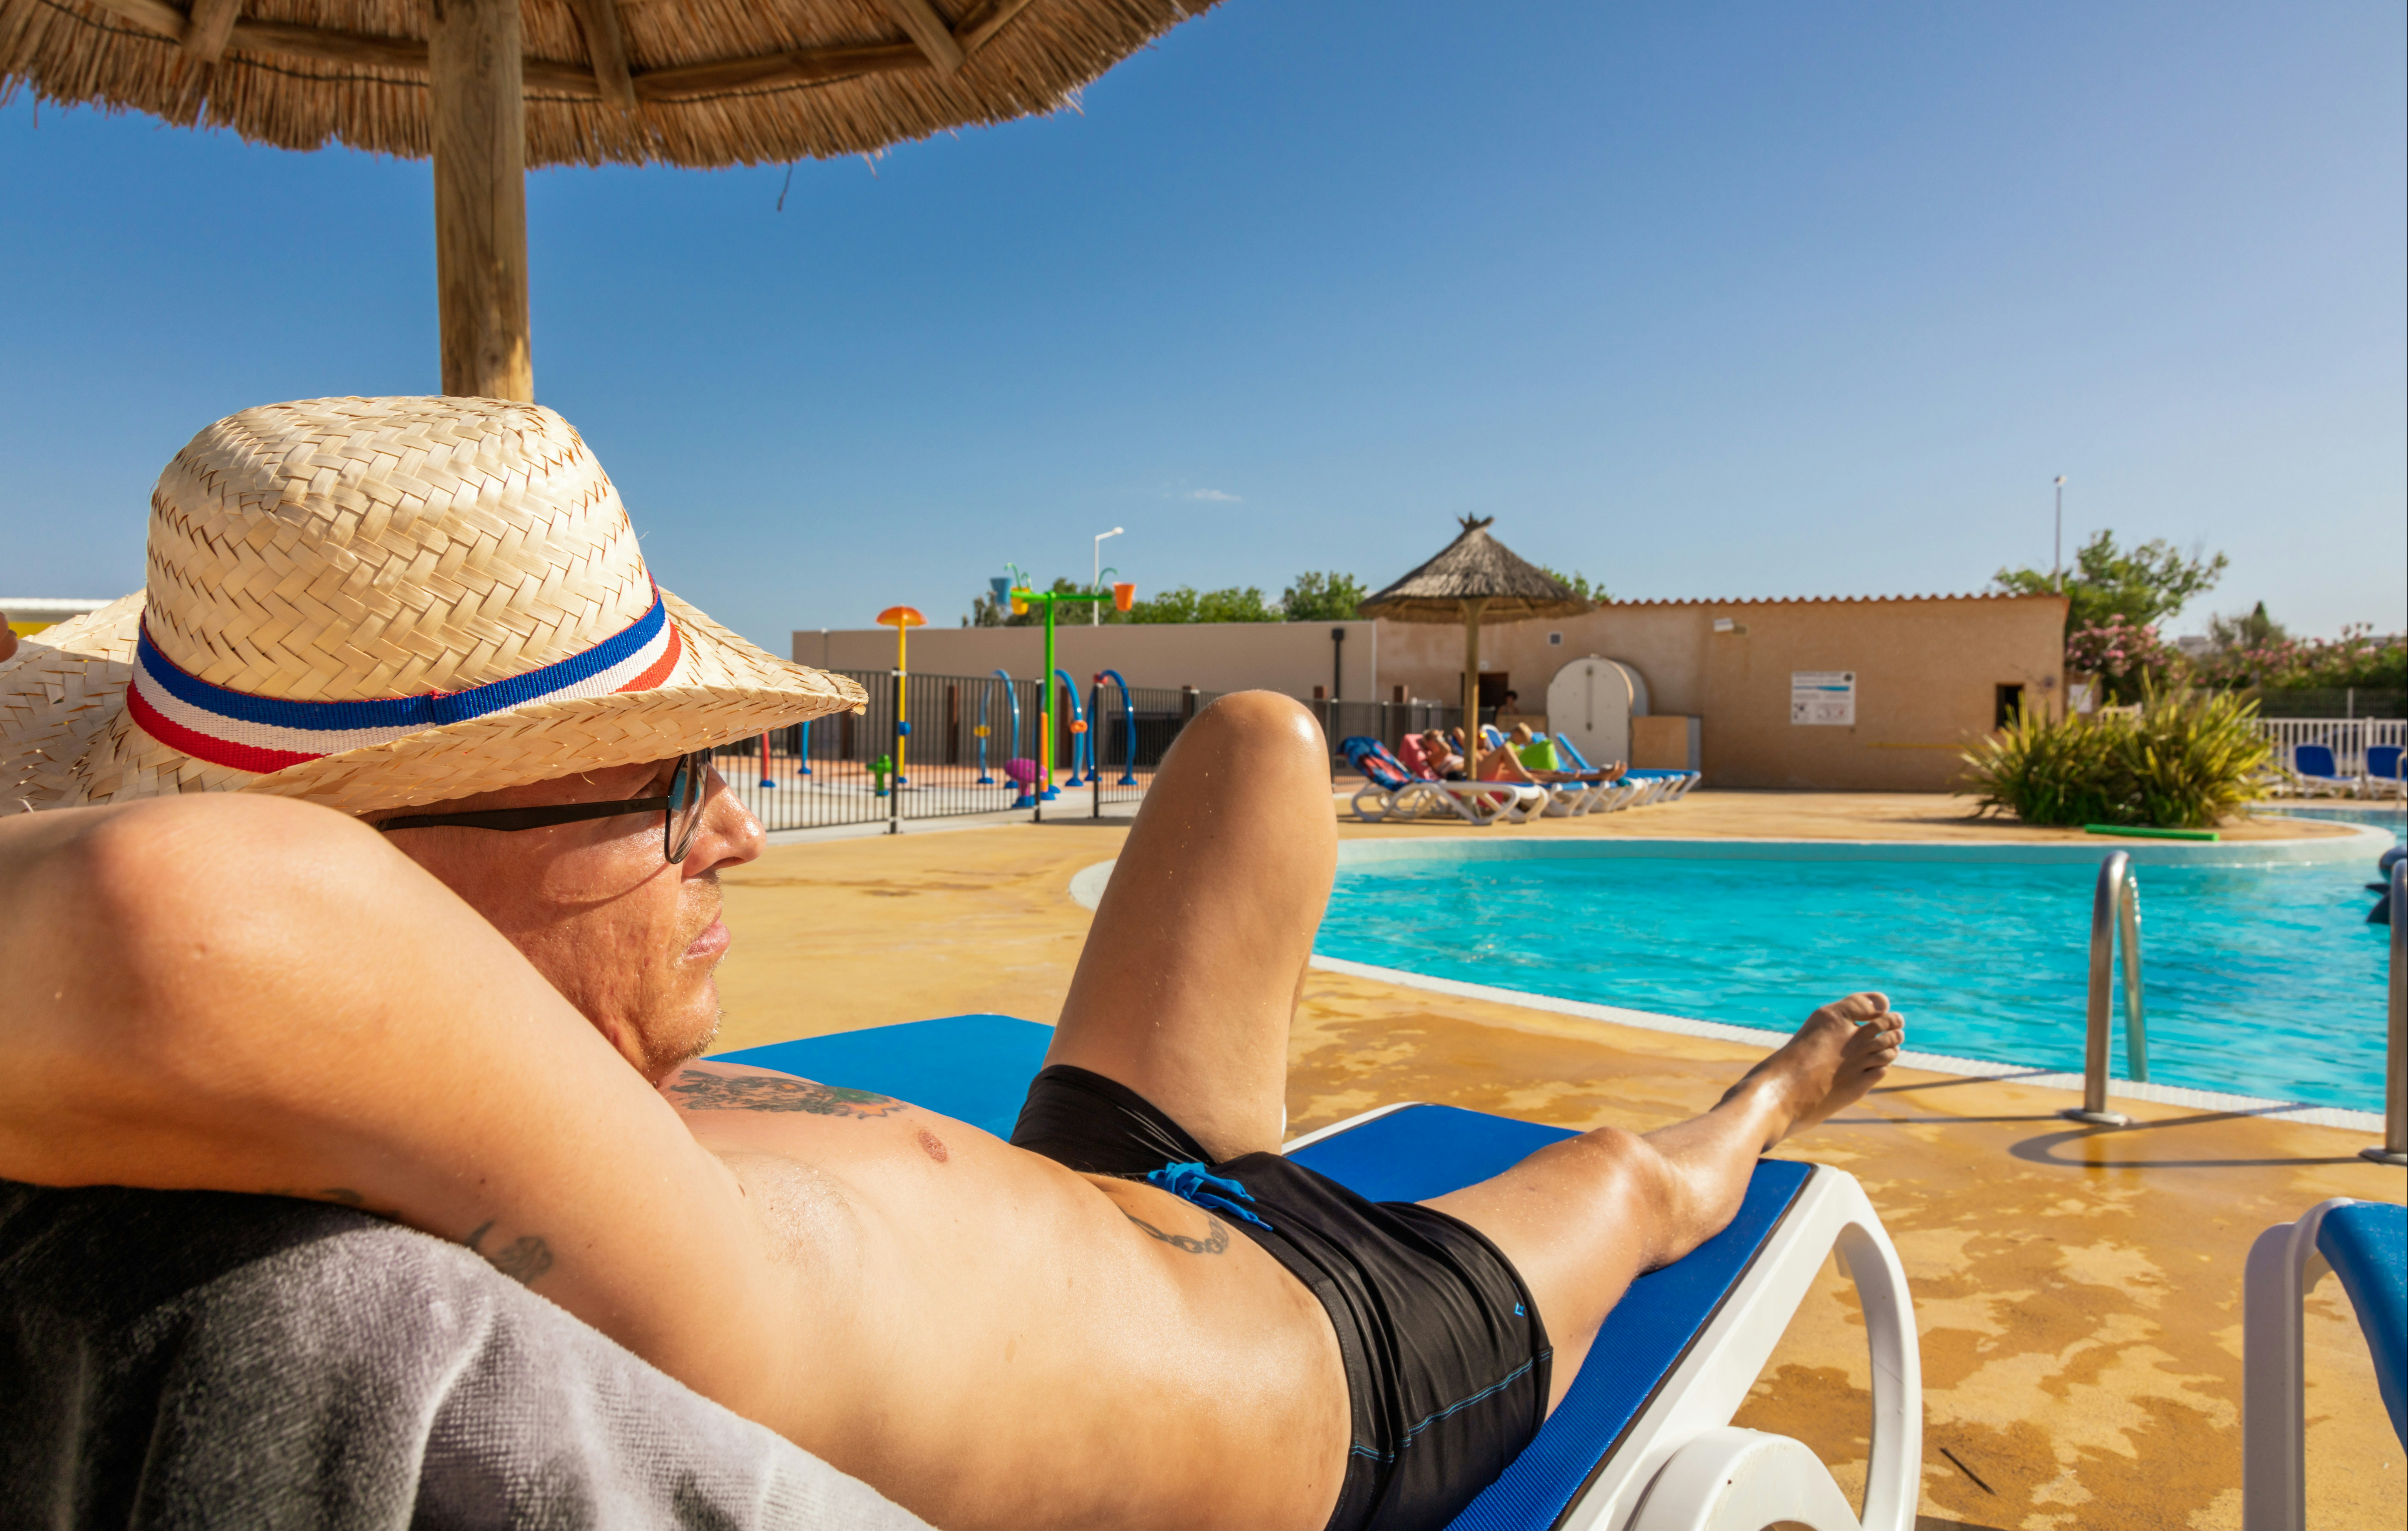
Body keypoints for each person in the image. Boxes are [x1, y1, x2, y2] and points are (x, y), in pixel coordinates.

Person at [0, 398, 1906, 1531]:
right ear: (373, 884)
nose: (741, 827)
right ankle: (1783, 1084)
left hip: (1112, 1184)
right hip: (1352, 1347)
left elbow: (213, 898)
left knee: (1255, 739)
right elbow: (186, 914)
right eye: (674, 787)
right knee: (1647, 1185)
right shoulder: (582, 1223)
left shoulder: (556, 1128)